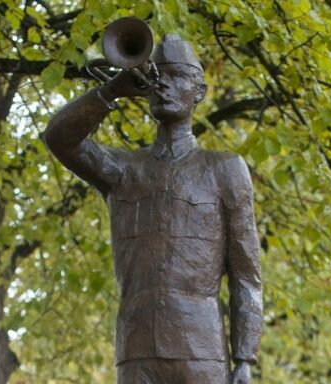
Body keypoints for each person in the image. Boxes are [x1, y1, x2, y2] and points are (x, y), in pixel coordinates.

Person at [44, 34, 262, 384]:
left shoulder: (225, 168)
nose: (164, 85)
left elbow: (246, 275)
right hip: (136, 347)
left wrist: (245, 357)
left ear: (199, 92)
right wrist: (111, 89)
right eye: (158, 76)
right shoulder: (123, 170)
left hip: (202, 349)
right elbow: (59, 137)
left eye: (177, 76)